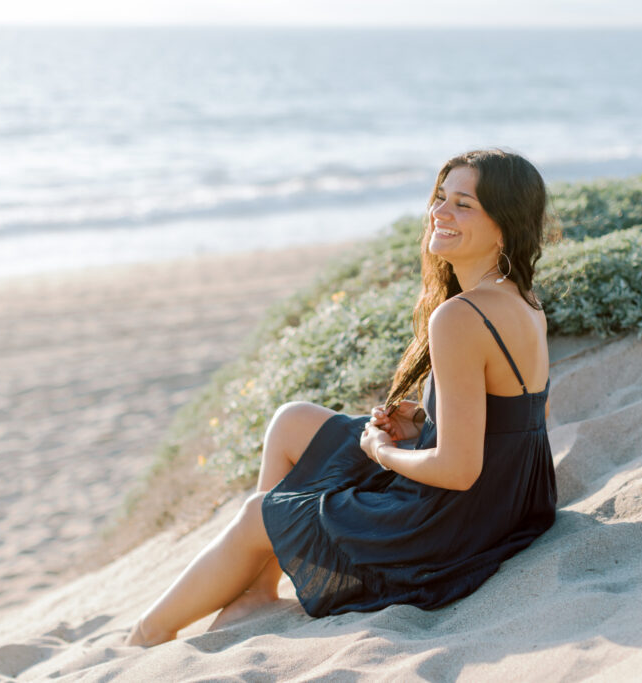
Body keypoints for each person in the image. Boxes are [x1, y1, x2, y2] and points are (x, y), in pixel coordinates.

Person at [126, 148, 557, 647]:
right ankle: (259, 587)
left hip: (452, 525)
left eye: (463, 204)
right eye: (440, 198)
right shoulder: (522, 299)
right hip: (507, 503)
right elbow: (527, 417)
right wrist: (425, 422)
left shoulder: (461, 316)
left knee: (258, 512)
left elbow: (460, 471)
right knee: (292, 422)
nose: (439, 213)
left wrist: (384, 452)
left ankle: (147, 634)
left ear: (504, 224)